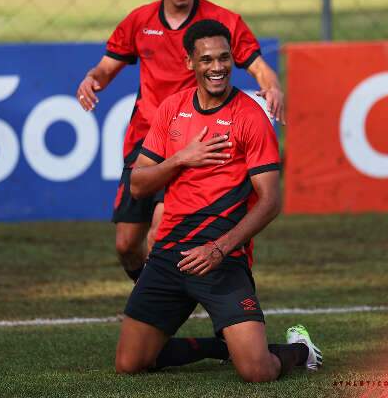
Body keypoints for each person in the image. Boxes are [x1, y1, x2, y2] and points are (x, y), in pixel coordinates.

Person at [115, 20, 322, 381]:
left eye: (225, 58)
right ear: (190, 64)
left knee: (257, 371)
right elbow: (138, 185)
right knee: (130, 363)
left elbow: (270, 201)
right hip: (169, 254)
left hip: (222, 257)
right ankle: (221, 347)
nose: (217, 67)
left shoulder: (250, 116)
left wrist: (219, 249)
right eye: (207, 59)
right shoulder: (170, 109)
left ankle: (301, 349)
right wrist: (181, 158)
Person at [76, 0, 285, 282]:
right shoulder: (139, 22)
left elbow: (260, 67)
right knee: (127, 245)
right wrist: (91, 79)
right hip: (146, 143)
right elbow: (105, 68)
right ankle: (152, 301)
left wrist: (272, 85)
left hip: (194, 142)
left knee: (160, 233)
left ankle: (160, 309)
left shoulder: (223, 22)